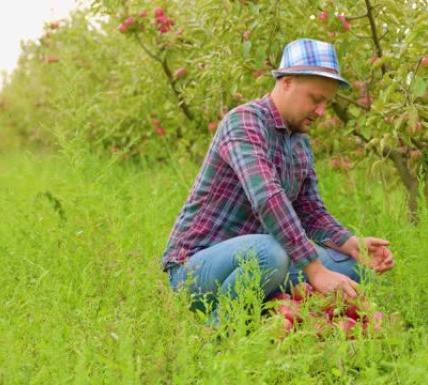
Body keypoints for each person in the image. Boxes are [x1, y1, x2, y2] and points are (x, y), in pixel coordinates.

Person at [161, 38, 394, 317]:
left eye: (327, 103)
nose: (321, 111)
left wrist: (351, 244)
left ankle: (268, 314)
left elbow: (312, 211)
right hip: (197, 269)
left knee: (354, 269)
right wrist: (315, 270)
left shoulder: (299, 143)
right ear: (286, 82)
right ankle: (219, 336)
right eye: (315, 99)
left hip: (262, 258)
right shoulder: (244, 122)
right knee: (271, 253)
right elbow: (266, 196)